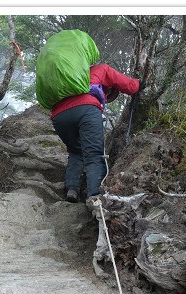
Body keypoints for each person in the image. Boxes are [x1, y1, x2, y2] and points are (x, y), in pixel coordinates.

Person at [38, 31, 141, 204]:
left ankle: (72, 189)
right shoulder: (100, 70)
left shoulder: (72, 79)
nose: (107, 96)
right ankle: (94, 197)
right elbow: (129, 85)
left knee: (75, 151)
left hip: (59, 116)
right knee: (94, 154)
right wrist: (140, 84)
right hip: (86, 110)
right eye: (109, 93)